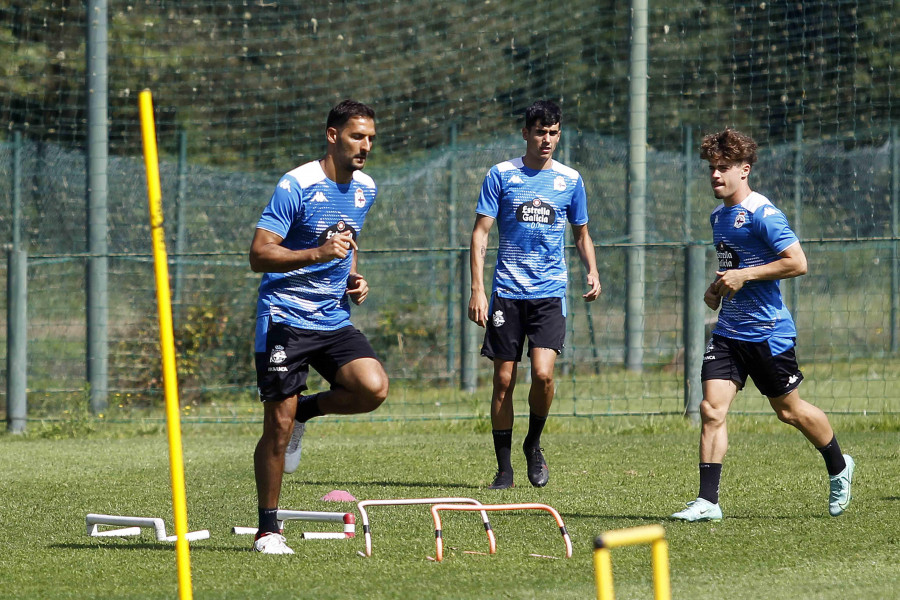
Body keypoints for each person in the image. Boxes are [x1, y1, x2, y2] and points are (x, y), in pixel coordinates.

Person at [671, 128, 854, 522]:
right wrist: (718, 288)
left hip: (768, 333)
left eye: (723, 168)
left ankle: (839, 465)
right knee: (710, 409)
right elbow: (734, 265)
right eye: (711, 168)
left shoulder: (763, 214)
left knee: (789, 412)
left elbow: (797, 262)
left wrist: (746, 276)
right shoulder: (718, 216)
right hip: (728, 333)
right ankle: (708, 501)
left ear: (745, 170)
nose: (715, 175)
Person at [249, 99, 389, 554]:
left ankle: (309, 411)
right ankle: (268, 530)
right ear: (333, 136)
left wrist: (352, 275)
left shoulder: (366, 187)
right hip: (285, 319)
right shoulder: (298, 184)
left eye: (370, 137)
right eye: (356, 136)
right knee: (278, 424)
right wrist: (317, 254)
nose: (365, 146)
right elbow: (259, 254)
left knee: (372, 388)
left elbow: (347, 241)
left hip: (332, 317)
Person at [468, 100, 602, 490]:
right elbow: (480, 234)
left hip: (548, 293)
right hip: (507, 292)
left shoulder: (570, 180)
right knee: (504, 380)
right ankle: (504, 468)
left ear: (560, 134)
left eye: (553, 132)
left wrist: (592, 270)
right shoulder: (501, 175)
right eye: (540, 132)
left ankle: (533, 443)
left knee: (543, 375)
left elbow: (581, 233)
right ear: (526, 133)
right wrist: (478, 289)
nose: (547, 139)